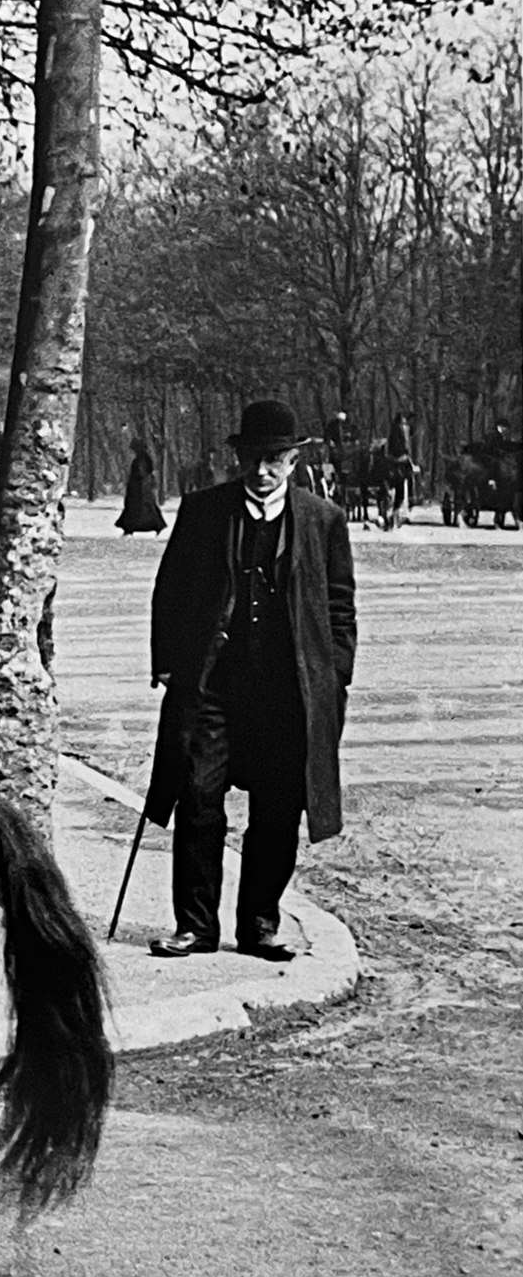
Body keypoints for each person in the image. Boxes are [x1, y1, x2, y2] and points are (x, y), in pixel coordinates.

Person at [143, 398, 356, 961]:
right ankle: (195, 927)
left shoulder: (322, 521)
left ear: (293, 461)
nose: (262, 472)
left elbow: (340, 606)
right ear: (238, 458)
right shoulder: (204, 511)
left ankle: (260, 923)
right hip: (213, 686)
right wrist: (168, 664)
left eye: (274, 460)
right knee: (197, 797)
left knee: (278, 808)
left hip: (288, 694)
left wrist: (334, 675)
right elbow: (170, 591)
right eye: (252, 460)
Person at [115, 436, 167, 535]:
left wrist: (137, 483)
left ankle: (134, 527)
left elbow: (141, 473)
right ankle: (130, 527)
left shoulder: (142, 459)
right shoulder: (142, 458)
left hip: (140, 489)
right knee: (140, 508)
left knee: (141, 509)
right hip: (140, 488)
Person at [378, 415, 416, 532]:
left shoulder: (405, 429)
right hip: (393, 458)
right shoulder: (394, 432)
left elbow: (407, 442)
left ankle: (411, 497)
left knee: (409, 474)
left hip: (402, 456)